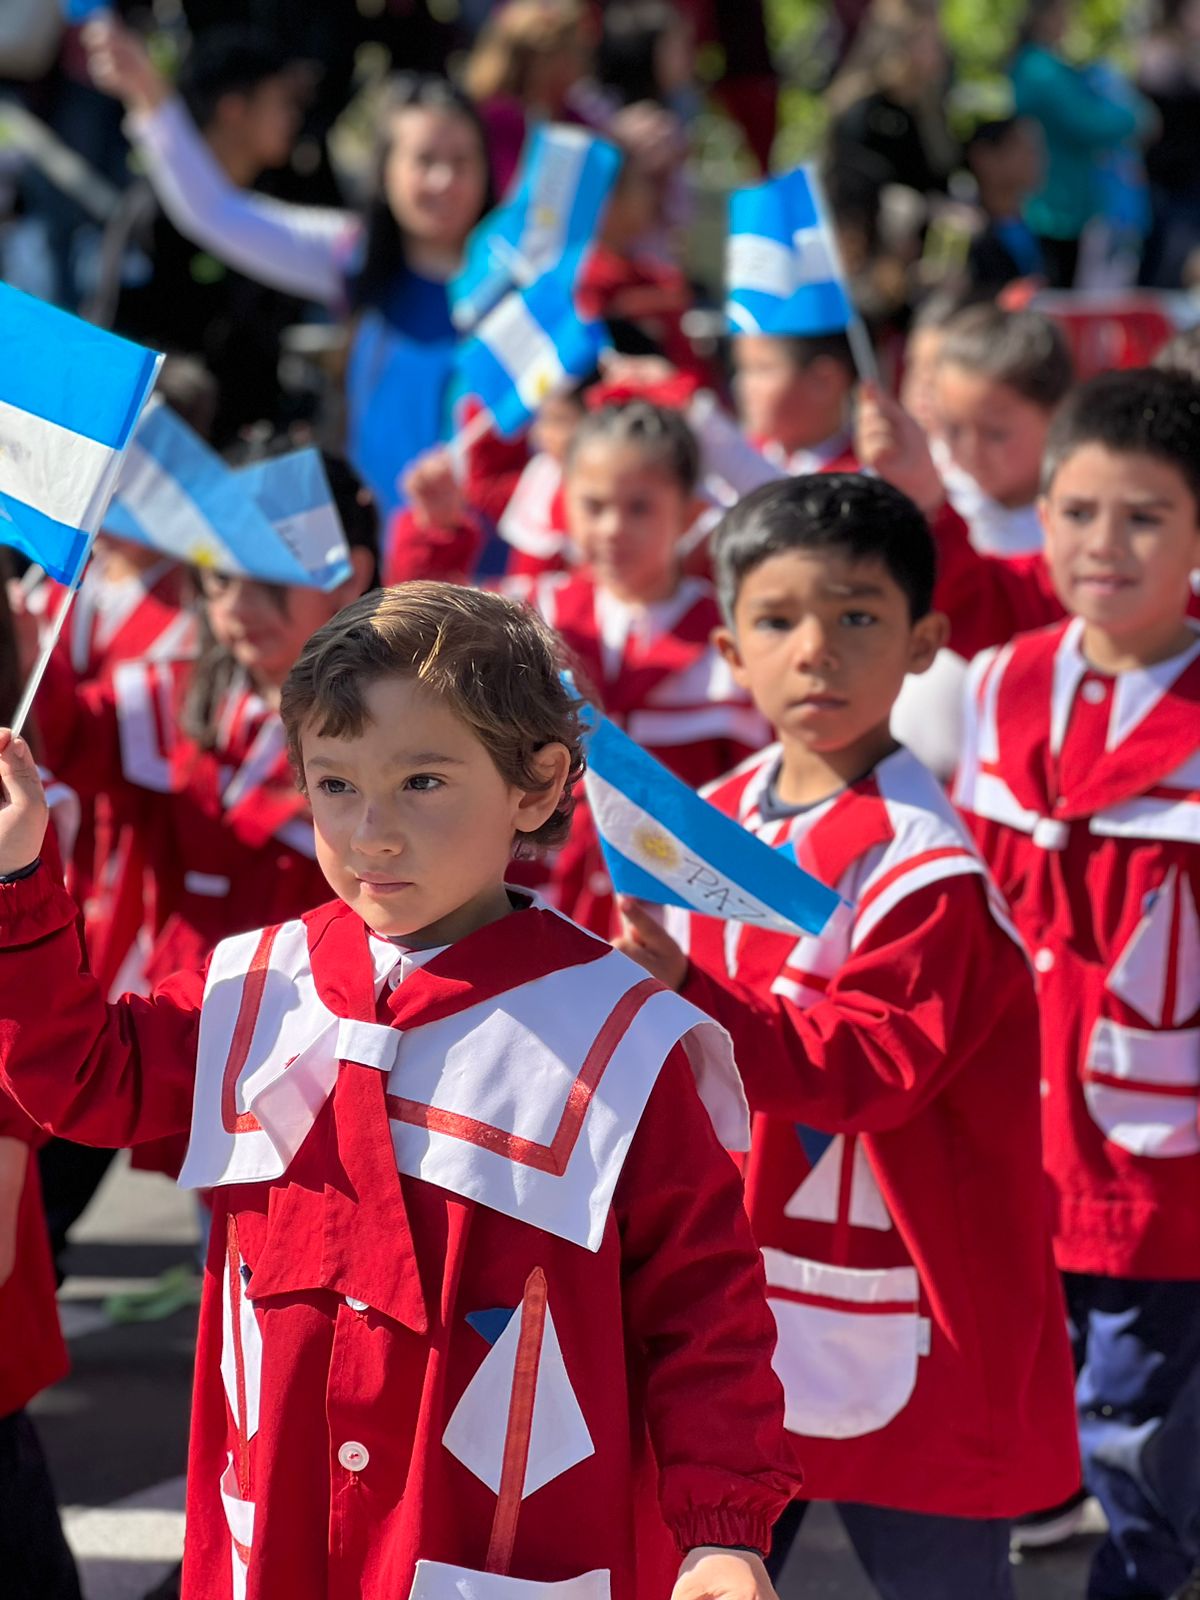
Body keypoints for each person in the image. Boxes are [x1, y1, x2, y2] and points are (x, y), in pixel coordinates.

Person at [0, 581, 798, 1600]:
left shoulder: (619, 1033)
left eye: (423, 781)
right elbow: (83, 1081)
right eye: (335, 784)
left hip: (499, 1546)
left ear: (537, 783)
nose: (371, 832)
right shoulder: (257, 982)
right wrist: (17, 882)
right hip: (277, 1533)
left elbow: (704, 1309)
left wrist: (721, 1528)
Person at [614, 472, 1081, 1600]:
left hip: (895, 1304)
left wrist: (684, 993)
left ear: (925, 643)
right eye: (778, 621)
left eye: (856, 616)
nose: (815, 651)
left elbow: (868, 1070)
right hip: (730, 1296)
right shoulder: (702, 821)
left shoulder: (929, 869)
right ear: (731, 646)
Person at [953, 367, 1200, 1600]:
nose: (1105, 543)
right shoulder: (1005, 682)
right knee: (1048, 1396)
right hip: (1017, 1129)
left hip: (1158, 1157)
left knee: (1138, 1420)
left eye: (1146, 516)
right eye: (1079, 510)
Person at [83, 19, 525, 525]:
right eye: (424, 160)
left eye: (461, 161)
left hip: (487, 552)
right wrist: (148, 95)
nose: (443, 180)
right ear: (387, 171)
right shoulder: (352, 256)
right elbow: (217, 213)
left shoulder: (521, 272)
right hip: (380, 554)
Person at [87, 25, 310, 446]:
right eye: (281, 102)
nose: (293, 118)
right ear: (233, 109)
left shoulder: (274, 210)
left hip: (250, 452)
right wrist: (167, 379)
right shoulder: (153, 212)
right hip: (161, 454)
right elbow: (107, 337)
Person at [1010, 0, 1151, 288]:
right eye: (1062, 13)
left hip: (1069, 201)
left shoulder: (1049, 65)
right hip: (1051, 203)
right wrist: (1137, 118)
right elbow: (1086, 122)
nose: (1067, 21)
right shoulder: (1038, 68)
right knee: (1054, 290)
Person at [932, 303, 1074, 557]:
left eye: (995, 434)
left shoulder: (1079, 520)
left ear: (1057, 417)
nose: (970, 450)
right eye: (953, 428)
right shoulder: (928, 493)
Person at [733, 332, 860, 476]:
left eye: (763, 368)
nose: (742, 385)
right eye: (743, 369)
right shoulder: (738, 455)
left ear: (824, 380)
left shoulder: (864, 474)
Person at [963, 116, 1046, 292]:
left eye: (1035, 150)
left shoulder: (1042, 228)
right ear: (983, 157)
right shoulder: (960, 230)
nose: (1034, 157)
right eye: (1020, 148)